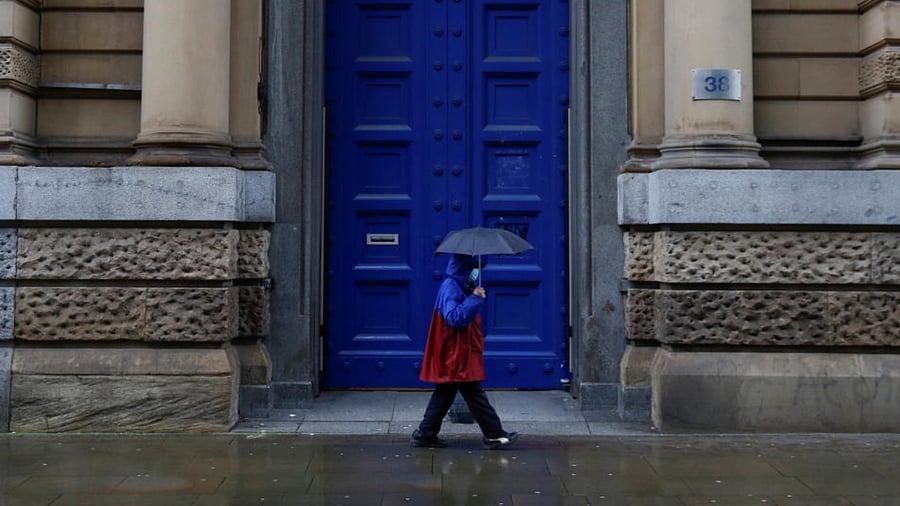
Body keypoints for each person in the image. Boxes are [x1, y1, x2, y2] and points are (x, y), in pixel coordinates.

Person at [411, 253, 519, 449]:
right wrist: (474, 299)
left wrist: (471, 293)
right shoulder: (451, 287)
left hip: (457, 349)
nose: (475, 274)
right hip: (456, 351)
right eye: (473, 269)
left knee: (446, 391)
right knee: (472, 391)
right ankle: (494, 434)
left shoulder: (456, 284)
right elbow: (454, 318)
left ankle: (425, 433)